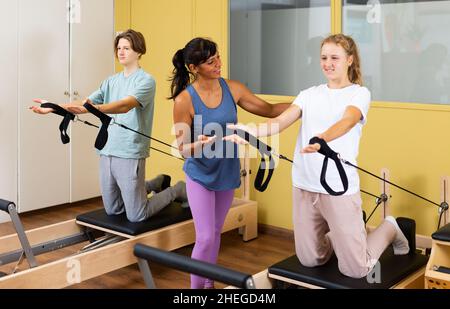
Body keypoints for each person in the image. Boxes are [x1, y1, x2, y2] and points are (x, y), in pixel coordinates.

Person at [226, 34, 410, 279]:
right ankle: (343, 236)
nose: (328, 63)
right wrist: (251, 131)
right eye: (324, 57)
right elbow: (280, 122)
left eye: (335, 57)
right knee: (311, 259)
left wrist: (322, 138)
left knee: (357, 270)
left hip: (337, 187)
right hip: (304, 185)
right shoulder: (308, 94)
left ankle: (390, 227)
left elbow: (347, 121)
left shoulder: (359, 93)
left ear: (350, 60)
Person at [30, 29, 188, 223]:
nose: (121, 52)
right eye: (119, 48)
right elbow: (84, 102)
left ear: (139, 51)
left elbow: (124, 106)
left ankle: (177, 189)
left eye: (127, 48)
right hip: (107, 149)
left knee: (137, 214)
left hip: (130, 150)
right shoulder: (111, 81)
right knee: (113, 209)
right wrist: (53, 107)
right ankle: (157, 182)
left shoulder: (146, 81)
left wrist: (93, 109)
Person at [170, 37, 290, 288]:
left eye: (218, 57)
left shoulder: (232, 88)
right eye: (210, 61)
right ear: (194, 68)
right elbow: (182, 149)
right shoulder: (184, 100)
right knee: (204, 237)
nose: (218, 64)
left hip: (227, 172)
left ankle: (208, 284)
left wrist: (303, 105)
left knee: (215, 234)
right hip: (200, 174)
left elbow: (267, 110)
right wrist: (200, 143)